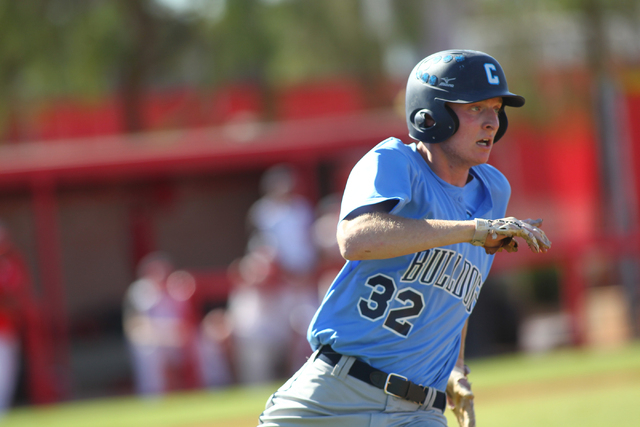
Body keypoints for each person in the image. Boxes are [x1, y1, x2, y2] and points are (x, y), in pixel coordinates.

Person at [257, 49, 551, 427]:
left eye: (496, 108)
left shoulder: (493, 190)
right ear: (431, 113)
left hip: (419, 411)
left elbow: (458, 289)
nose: (492, 122)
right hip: (335, 396)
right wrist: (474, 230)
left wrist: (455, 368)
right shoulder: (396, 162)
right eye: (476, 108)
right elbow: (355, 238)